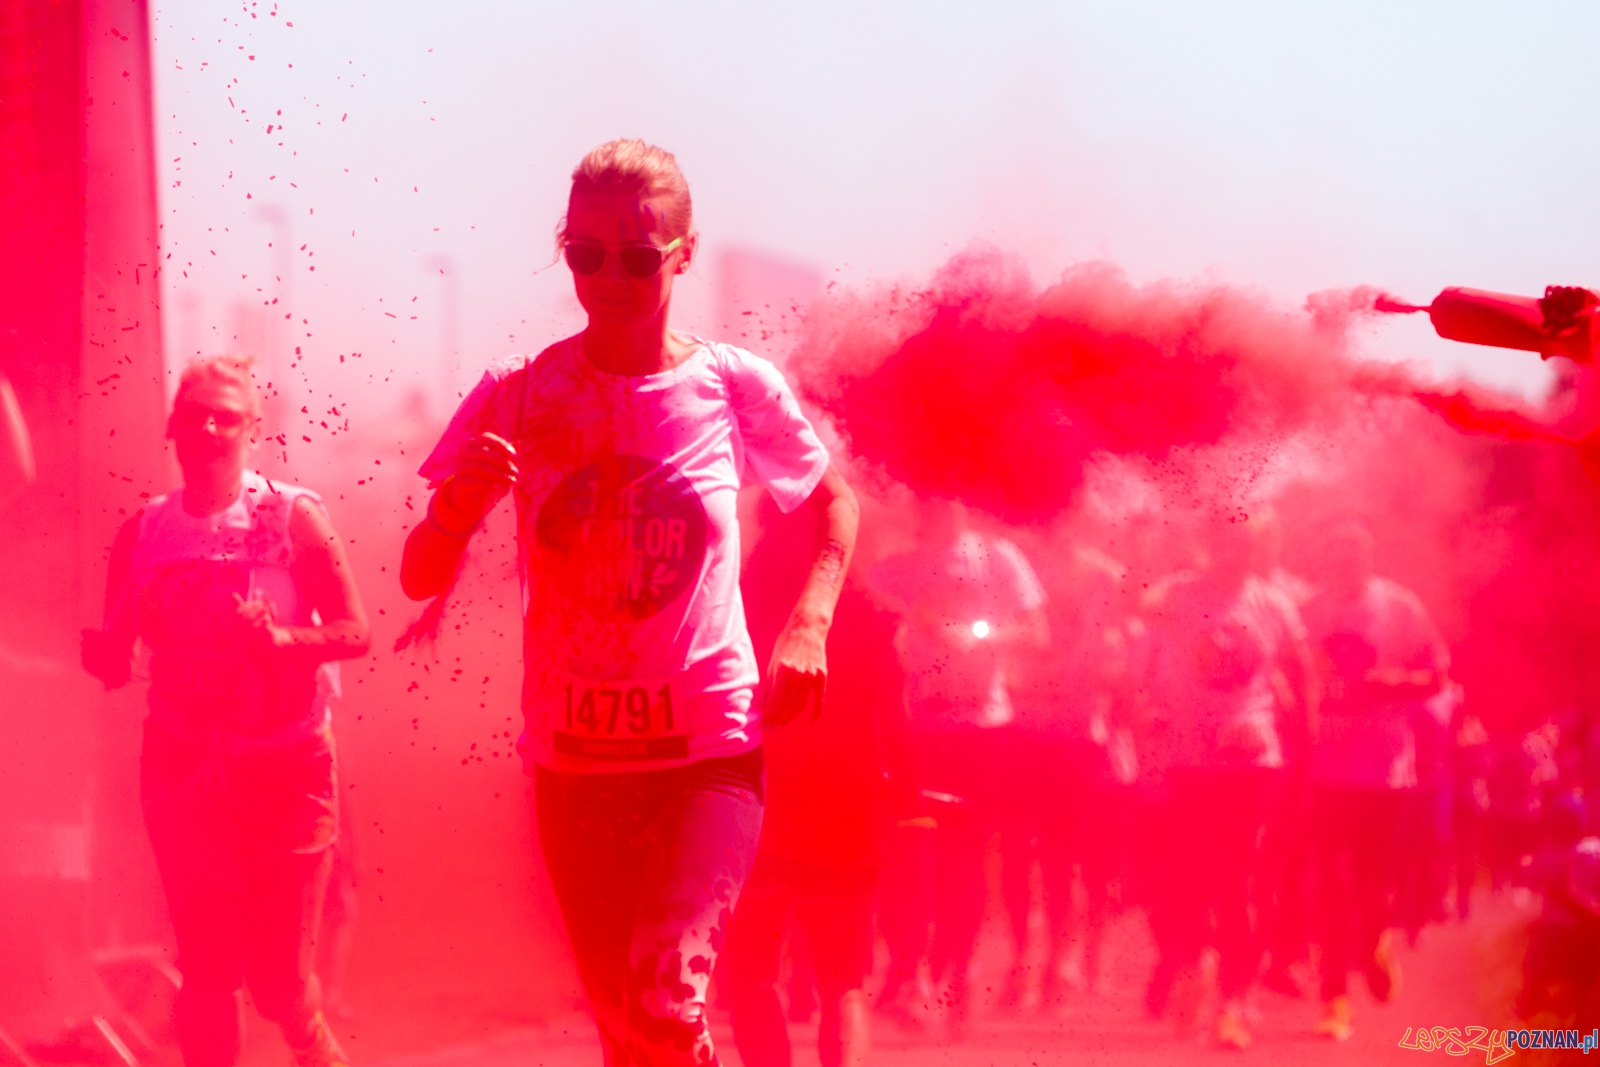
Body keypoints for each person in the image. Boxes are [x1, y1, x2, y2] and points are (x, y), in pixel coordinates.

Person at [399, 140, 858, 1066]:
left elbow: (832, 503)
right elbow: (417, 573)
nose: (610, 276)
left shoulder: (732, 385)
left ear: (683, 254)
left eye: (638, 255)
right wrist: (457, 507)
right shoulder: (519, 392)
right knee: (628, 1038)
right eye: (586, 253)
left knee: (666, 998)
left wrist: (810, 620)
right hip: (575, 769)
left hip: (706, 759)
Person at [80, 356, 370, 1067]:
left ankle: (314, 1045)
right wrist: (103, 658)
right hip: (183, 762)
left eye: (227, 416)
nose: (210, 427)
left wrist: (281, 641)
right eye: (197, 414)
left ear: (252, 430)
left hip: (286, 763)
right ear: (172, 427)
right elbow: (117, 654)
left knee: (278, 987)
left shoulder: (290, 515)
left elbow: (356, 632)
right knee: (208, 971)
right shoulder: (144, 531)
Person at [722, 496, 906, 1067]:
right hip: (844, 811)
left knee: (749, 980)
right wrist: (904, 794)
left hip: (756, 808)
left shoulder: (735, 610)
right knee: (842, 983)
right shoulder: (870, 617)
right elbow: (895, 723)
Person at [1132, 516, 1315, 1050]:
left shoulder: (1274, 603)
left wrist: (1306, 747)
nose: (1234, 554)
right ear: (1209, 546)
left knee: (1238, 881)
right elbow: (1140, 606)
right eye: (1224, 544)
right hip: (1189, 761)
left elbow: (1302, 672)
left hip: (1253, 762)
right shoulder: (1182, 594)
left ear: (1256, 548)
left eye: (1244, 544)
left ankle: (1233, 1002)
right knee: (1188, 878)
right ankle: (1195, 966)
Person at [867, 498, 1047, 1035]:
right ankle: (909, 973)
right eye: (928, 495)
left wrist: (981, 636)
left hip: (980, 730)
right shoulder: (892, 569)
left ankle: (957, 976)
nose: (941, 506)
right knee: (907, 854)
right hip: (915, 731)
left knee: (965, 858)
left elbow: (1038, 634)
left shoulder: (998, 559)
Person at [1300, 523, 1448, 1042]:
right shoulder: (1309, 610)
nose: (1345, 567)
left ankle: (1375, 939)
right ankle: (1334, 997)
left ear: (1369, 559)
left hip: (1385, 772)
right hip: (1325, 770)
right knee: (1330, 885)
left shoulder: (1399, 607)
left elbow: (1437, 675)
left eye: (1354, 557)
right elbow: (1291, 677)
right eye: (1336, 557)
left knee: (1373, 883)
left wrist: (1391, 684)